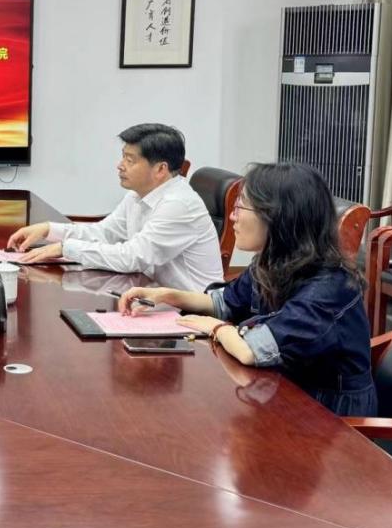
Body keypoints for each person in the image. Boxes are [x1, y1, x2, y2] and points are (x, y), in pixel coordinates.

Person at [118, 162, 376, 416]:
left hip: (329, 417)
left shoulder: (328, 289)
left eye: (241, 207)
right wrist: (167, 295)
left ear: (278, 216)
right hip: (280, 392)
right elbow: (225, 302)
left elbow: (252, 350)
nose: (232, 216)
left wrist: (216, 328)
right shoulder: (275, 261)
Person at [7, 123, 222, 292]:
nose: (120, 166)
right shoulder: (137, 195)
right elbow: (104, 233)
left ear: (160, 169)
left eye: (130, 160)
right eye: (123, 157)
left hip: (192, 314)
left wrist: (66, 248)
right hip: (152, 296)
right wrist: (48, 230)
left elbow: (132, 258)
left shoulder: (178, 204)